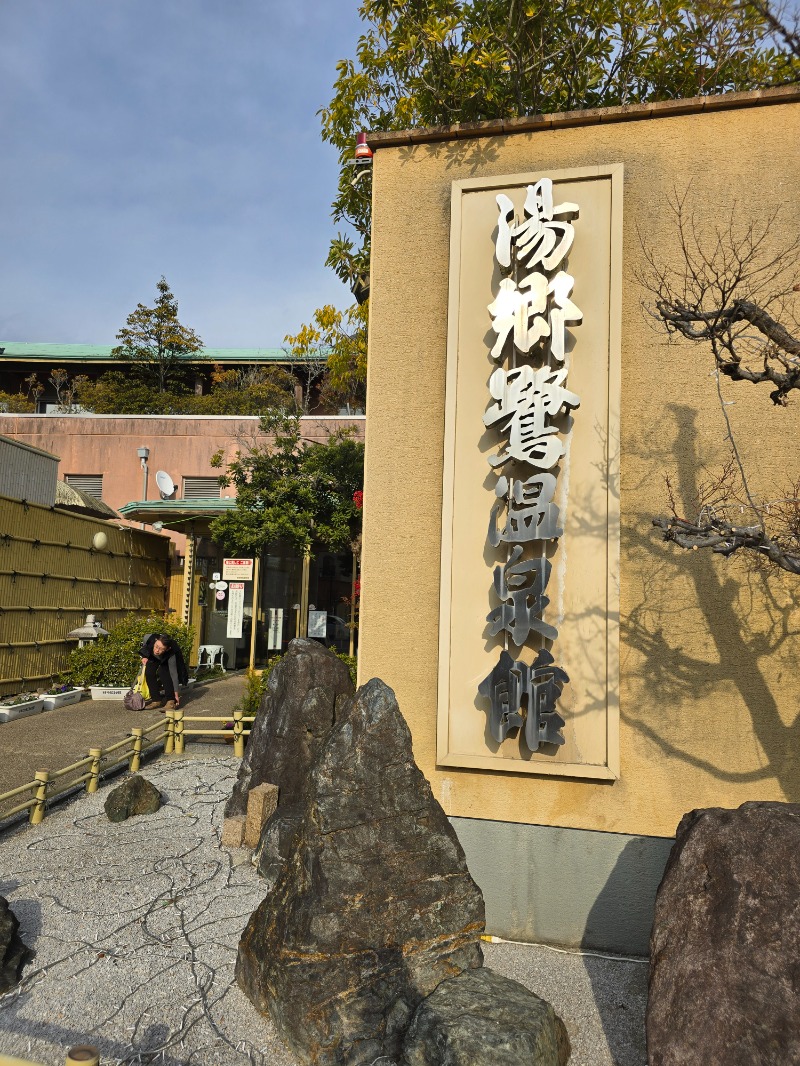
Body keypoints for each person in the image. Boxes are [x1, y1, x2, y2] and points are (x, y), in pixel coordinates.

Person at [139, 633, 188, 710]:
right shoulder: (149, 638)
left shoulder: (171, 653)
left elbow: (173, 674)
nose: (157, 650)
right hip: (154, 657)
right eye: (156, 646)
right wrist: (144, 656)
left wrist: (176, 694)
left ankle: (170, 700)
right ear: (155, 641)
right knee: (149, 671)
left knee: (163, 672)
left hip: (166, 659)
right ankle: (156, 700)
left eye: (161, 649)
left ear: (167, 649)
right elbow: (145, 646)